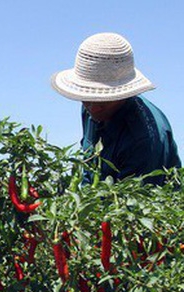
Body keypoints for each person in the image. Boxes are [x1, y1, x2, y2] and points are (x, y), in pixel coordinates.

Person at [51, 32, 181, 185]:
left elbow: (134, 201)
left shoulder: (143, 138)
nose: (93, 107)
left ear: (123, 93)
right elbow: (89, 167)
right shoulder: (90, 110)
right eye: (87, 98)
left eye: (103, 100)